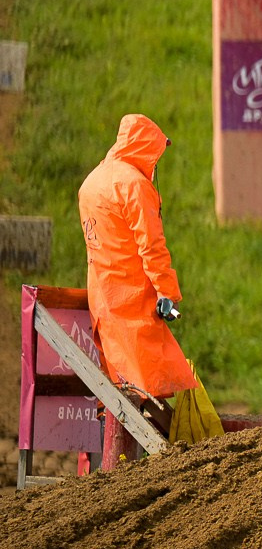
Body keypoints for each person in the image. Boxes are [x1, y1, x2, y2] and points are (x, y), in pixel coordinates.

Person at [77, 115, 197, 414]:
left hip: (102, 295)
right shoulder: (133, 185)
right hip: (133, 298)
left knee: (120, 385)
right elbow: (151, 246)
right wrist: (167, 292)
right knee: (147, 387)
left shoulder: (91, 181)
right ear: (145, 147)